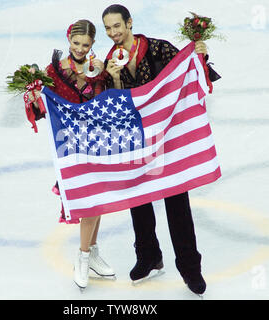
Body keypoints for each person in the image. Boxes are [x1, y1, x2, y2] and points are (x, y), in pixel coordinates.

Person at [102, 4, 220, 295]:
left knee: (177, 205)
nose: (113, 33)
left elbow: (187, 72)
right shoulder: (108, 63)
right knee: (138, 200)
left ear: (130, 23)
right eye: (107, 28)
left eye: (117, 25)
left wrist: (199, 54)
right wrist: (115, 79)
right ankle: (149, 258)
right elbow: (111, 106)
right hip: (135, 143)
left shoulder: (158, 49)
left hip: (167, 140)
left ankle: (191, 269)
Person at [30, 19, 115, 290]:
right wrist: (34, 97)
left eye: (86, 45)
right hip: (70, 147)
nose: (80, 49)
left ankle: (91, 252)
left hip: (98, 142)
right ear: (69, 40)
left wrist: (108, 76)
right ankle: (83, 256)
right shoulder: (53, 72)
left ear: (92, 45)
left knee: (98, 200)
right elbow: (44, 111)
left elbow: (109, 102)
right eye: (76, 43)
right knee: (89, 201)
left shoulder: (98, 69)